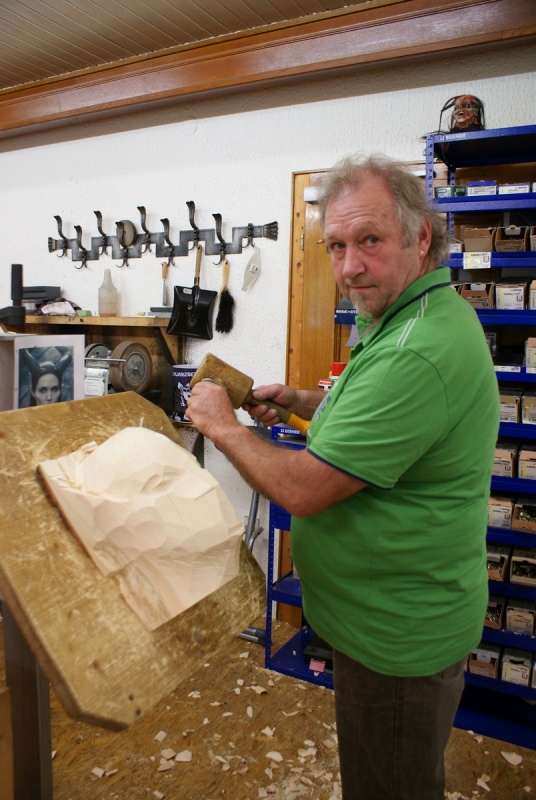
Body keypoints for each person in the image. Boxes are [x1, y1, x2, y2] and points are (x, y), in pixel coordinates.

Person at [187, 154, 500, 800]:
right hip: (382, 620)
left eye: (370, 240)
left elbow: (303, 488)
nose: (350, 266)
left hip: (395, 640)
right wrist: (301, 402)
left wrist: (222, 427)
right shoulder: (410, 315)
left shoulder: (417, 351)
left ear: (420, 238)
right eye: (336, 246)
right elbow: (378, 415)